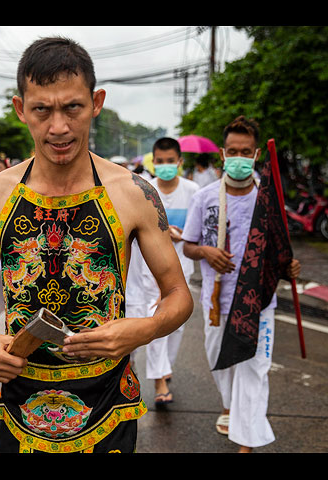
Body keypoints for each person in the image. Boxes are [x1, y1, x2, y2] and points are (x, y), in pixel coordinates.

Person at [0, 36, 193, 454]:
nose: (59, 127)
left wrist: (139, 331)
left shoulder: (133, 193)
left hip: (108, 404)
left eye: (72, 107)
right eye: (41, 109)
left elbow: (178, 295)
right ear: (20, 109)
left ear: (96, 102)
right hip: (18, 402)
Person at [182, 115, 301, 453]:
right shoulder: (204, 198)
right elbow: (189, 244)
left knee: (254, 369)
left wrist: (289, 267)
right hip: (217, 302)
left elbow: (282, 250)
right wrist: (206, 251)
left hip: (258, 301)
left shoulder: (270, 199)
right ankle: (229, 406)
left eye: (245, 151)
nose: (238, 158)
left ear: (257, 154)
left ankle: (246, 442)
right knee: (220, 361)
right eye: (232, 151)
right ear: (222, 154)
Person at [135, 137, 200, 407]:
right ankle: (159, 381)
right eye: (159, 162)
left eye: (170, 161)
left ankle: (165, 368)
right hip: (149, 269)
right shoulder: (144, 191)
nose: (165, 166)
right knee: (156, 319)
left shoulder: (193, 191)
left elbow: (198, 233)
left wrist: (183, 236)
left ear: (180, 162)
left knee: (176, 326)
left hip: (181, 266)